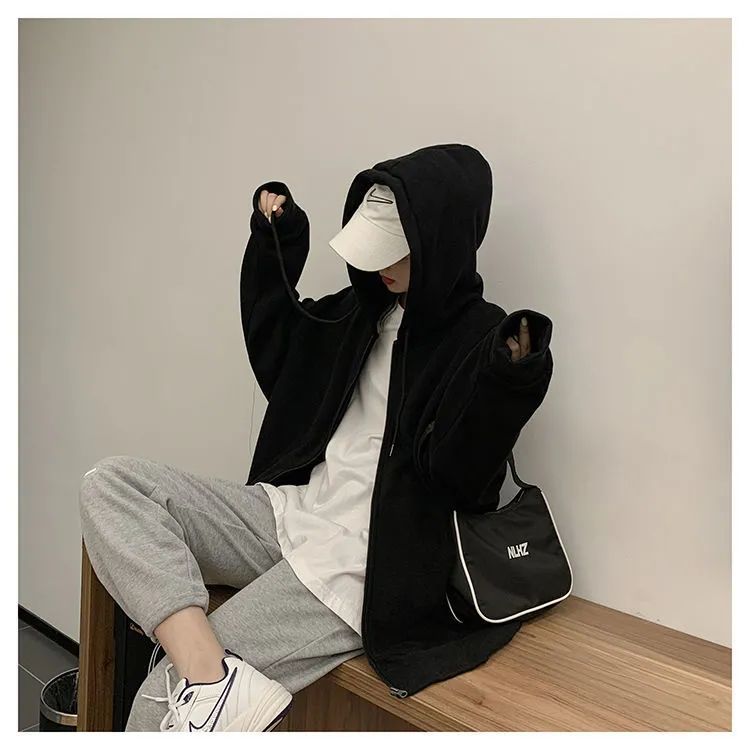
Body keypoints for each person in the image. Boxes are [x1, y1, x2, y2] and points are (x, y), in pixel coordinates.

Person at [79, 144, 552, 732]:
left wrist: (508, 384)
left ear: (443, 242)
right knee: (114, 485)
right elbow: (282, 358)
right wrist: (275, 244)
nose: (380, 266)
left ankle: (202, 682)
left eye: (395, 250)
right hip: (294, 514)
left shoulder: (481, 338)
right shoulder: (361, 312)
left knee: (160, 700)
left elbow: (461, 474)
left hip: (367, 559)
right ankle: (212, 681)